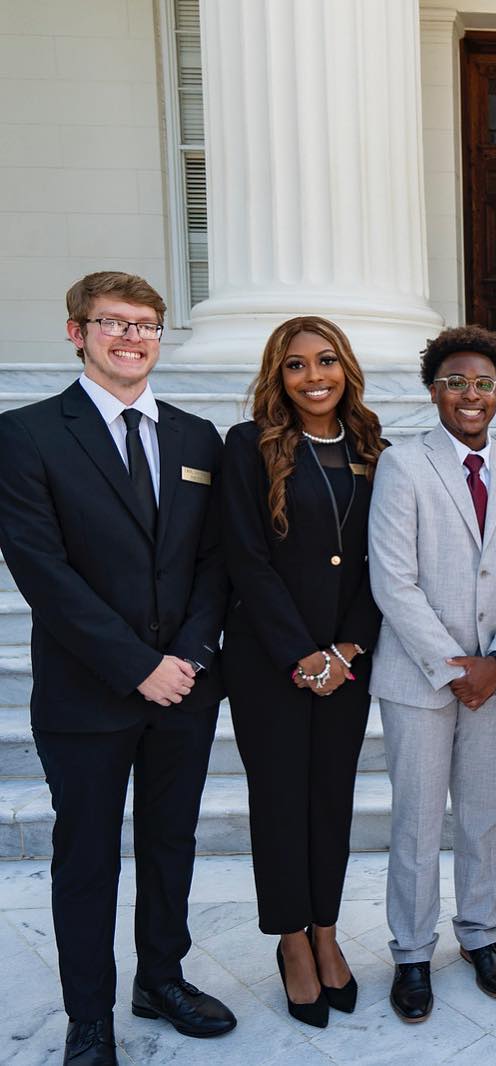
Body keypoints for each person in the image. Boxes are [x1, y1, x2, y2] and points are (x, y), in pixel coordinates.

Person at [0, 272, 236, 1066]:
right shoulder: (26, 436)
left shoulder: (198, 438)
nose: (132, 337)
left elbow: (213, 563)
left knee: (171, 843)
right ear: (77, 333)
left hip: (186, 690)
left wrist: (191, 658)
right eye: (113, 323)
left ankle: (161, 979)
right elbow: (43, 572)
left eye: (146, 325)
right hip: (87, 692)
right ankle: (89, 1016)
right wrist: (139, 666)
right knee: (89, 855)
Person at [368, 324, 496, 1022]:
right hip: (419, 681)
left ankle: (480, 933)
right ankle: (411, 950)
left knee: (480, 814)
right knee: (415, 819)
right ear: (433, 390)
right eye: (455, 383)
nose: (471, 395)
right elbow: (394, 581)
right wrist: (453, 667)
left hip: (493, 682)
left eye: (483, 384)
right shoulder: (402, 466)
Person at [220, 316, 385, 1028]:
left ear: (345, 368)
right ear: (277, 376)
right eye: (295, 366)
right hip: (269, 662)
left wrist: (348, 648)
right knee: (281, 802)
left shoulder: (374, 450)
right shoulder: (247, 448)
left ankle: (327, 928)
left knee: (330, 800)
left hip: (346, 666)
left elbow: (385, 560)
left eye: (326, 361)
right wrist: (301, 652)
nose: (313, 376)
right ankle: (291, 939)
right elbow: (245, 558)